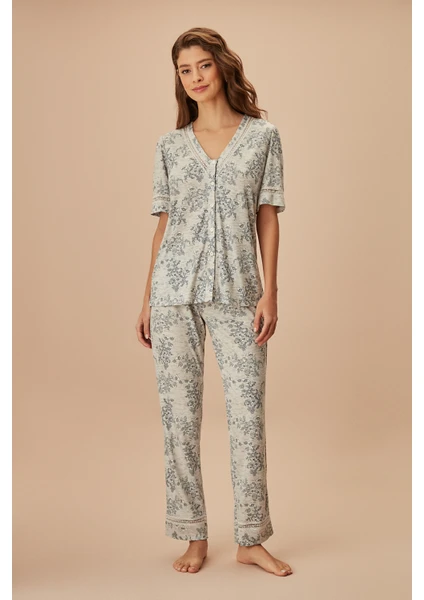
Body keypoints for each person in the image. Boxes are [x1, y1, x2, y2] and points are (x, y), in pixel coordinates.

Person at [135, 27, 292, 578]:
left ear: (222, 66)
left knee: (248, 418)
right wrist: (147, 298)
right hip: (172, 294)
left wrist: (270, 290)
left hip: (239, 292)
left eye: (203, 65)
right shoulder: (169, 145)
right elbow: (164, 227)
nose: (195, 77)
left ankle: (251, 539)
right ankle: (193, 536)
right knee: (178, 419)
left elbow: (267, 217)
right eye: (185, 70)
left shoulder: (263, 137)